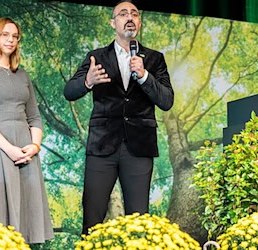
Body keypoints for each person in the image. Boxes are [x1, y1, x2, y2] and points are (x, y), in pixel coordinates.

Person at [64, 0, 174, 235]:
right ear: (113, 23)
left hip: (139, 147)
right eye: (123, 14)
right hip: (102, 146)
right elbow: (69, 91)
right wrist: (88, 81)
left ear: (140, 22)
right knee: (92, 219)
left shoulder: (154, 59)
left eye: (134, 13)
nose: (130, 17)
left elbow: (166, 101)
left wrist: (144, 76)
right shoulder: (96, 57)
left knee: (138, 222)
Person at [0, 17, 54, 244]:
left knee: (25, 221)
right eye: (5, 34)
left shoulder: (23, 75)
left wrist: (34, 147)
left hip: (25, 152)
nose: (11, 40)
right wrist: (9, 149)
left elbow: (34, 117)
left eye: (15, 36)